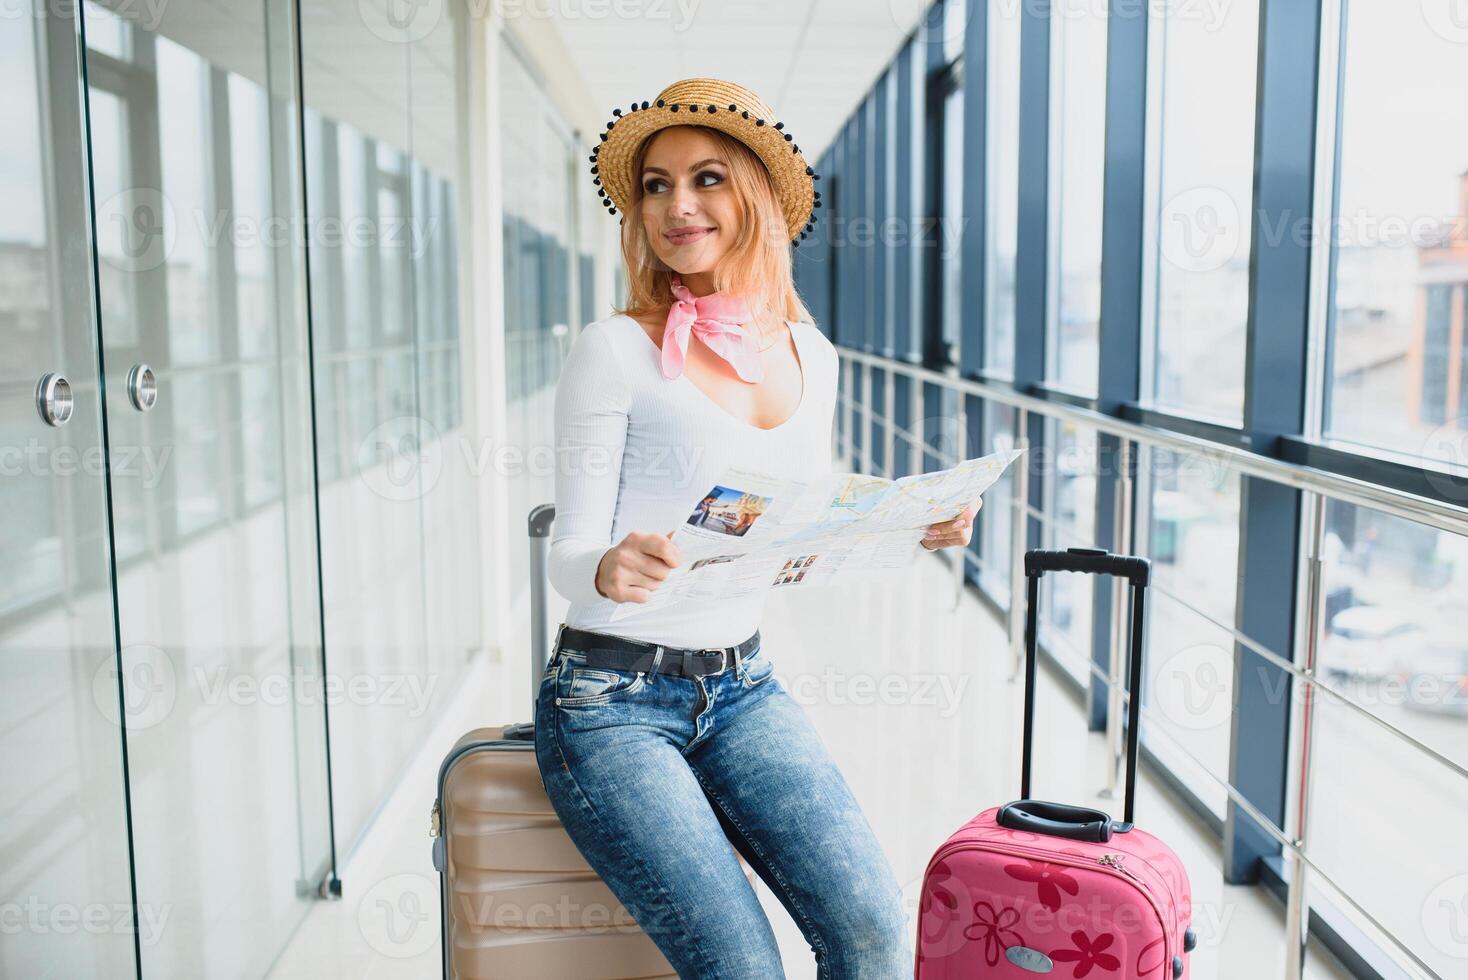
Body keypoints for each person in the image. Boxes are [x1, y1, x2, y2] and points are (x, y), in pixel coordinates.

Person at [535, 77, 979, 979]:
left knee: (875, 937)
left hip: (744, 688)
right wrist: (607, 566)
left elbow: (798, 527)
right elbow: (569, 554)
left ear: (756, 197)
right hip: (610, 703)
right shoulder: (612, 348)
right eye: (654, 185)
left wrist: (911, 527)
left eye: (706, 178)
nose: (677, 205)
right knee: (741, 969)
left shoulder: (813, 353)